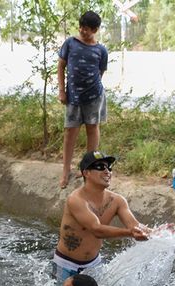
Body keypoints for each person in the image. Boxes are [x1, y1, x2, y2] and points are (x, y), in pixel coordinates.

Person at [53, 151, 149, 286]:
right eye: (100, 167)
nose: (107, 171)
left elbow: (135, 226)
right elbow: (96, 229)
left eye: (109, 168)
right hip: (65, 264)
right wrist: (130, 233)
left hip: (94, 265)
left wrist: (158, 232)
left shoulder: (117, 200)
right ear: (86, 173)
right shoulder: (75, 199)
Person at [57, 11, 108, 189]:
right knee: (70, 132)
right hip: (73, 97)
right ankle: (65, 170)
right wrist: (62, 90)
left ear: (95, 30)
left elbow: (100, 74)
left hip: (94, 97)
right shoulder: (70, 43)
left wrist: (91, 87)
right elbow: (61, 66)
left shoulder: (101, 50)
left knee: (92, 129)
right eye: (80, 27)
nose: (82, 31)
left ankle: (88, 167)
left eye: (86, 29)